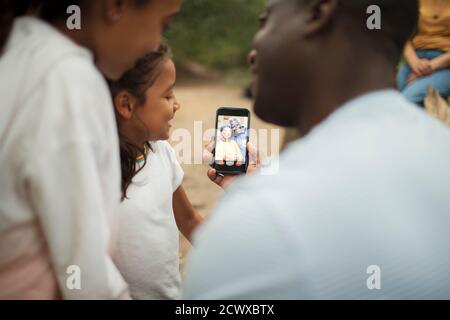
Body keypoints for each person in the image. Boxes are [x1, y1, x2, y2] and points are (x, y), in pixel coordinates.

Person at [183, 0, 450, 299]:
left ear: (318, 13)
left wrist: (261, 200)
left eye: (264, 21)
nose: (253, 51)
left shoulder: (257, 221)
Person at [0, 0, 182, 299]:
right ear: (115, 6)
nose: (154, 44)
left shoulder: (22, 49)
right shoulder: (67, 78)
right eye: (164, 23)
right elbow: (86, 274)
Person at [108, 44, 204, 300]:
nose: (177, 104)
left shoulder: (162, 153)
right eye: (168, 95)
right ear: (127, 104)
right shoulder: (98, 172)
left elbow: (189, 219)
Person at [397, 0, 450, 106]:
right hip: (416, 59)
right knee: (387, 99)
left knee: (407, 101)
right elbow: (403, 33)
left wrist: (429, 67)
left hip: (445, 64)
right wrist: (415, 63)